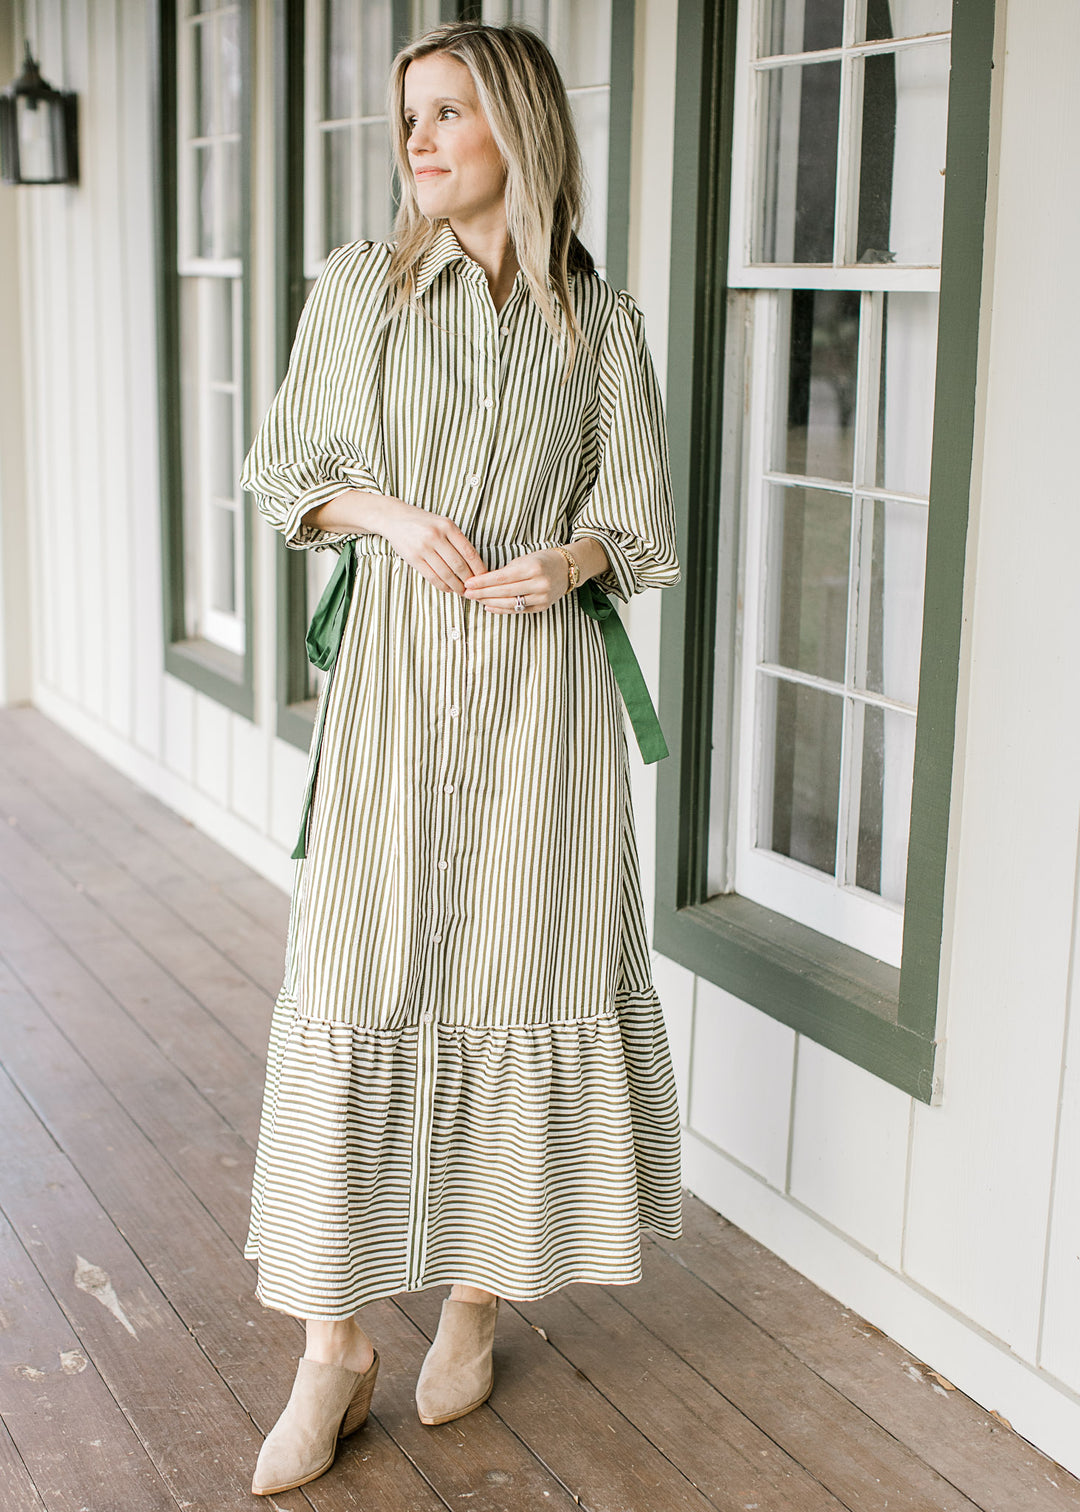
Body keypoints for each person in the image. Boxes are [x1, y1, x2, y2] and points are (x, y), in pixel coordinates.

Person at [239, 19, 682, 1498]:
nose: (418, 140)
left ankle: (478, 1304)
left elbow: (640, 521)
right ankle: (333, 1349)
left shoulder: (599, 325)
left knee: (515, 971)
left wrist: (569, 560)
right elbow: (285, 472)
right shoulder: (359, 292)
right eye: (407, 116)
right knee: (361, 977)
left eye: (448, 113)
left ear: (520, 129)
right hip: (393, 694)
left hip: (544, 710)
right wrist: (384, 516)